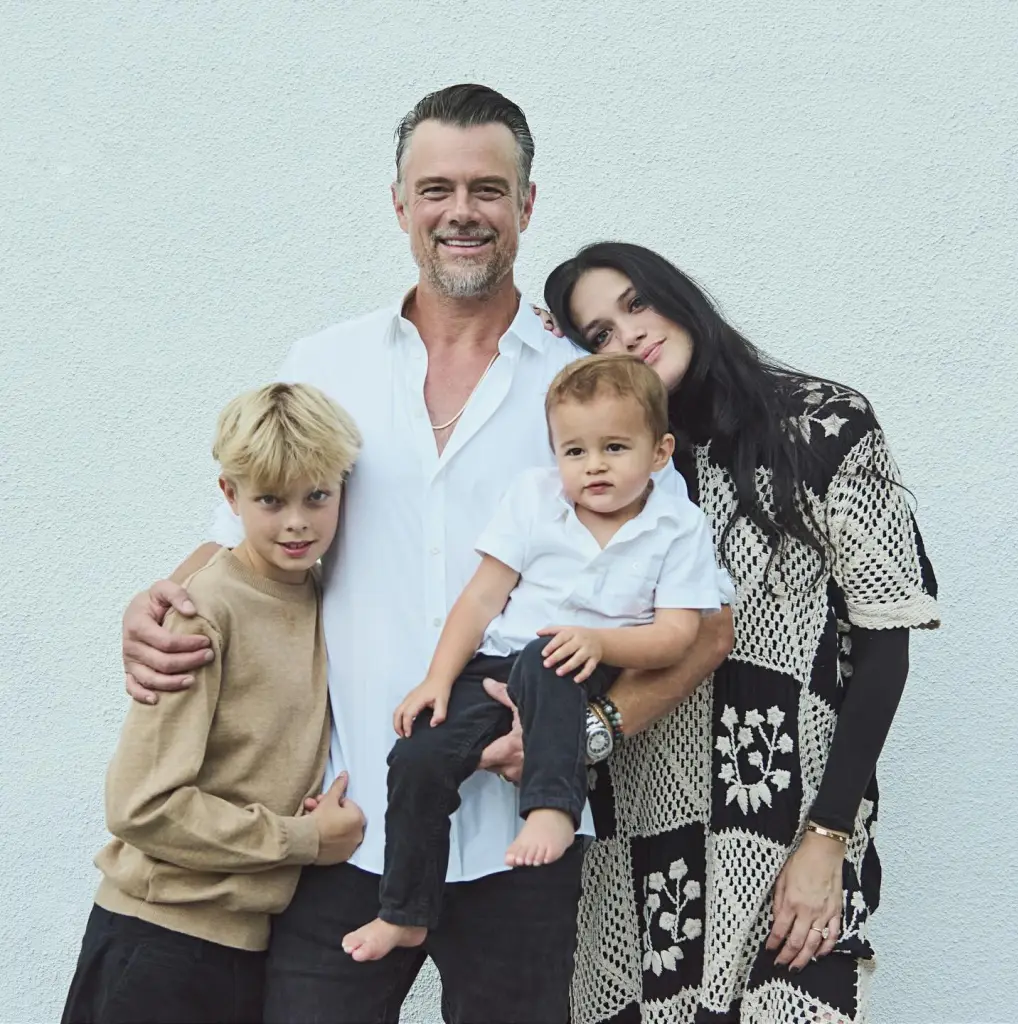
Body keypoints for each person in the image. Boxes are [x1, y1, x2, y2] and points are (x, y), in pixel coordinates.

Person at [119, 86, 733, 1024]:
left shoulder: (590, 387)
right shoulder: (329, 364)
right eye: (435, 187)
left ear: (527, 207)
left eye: (488, 189)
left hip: (521, 840)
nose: (462, 212)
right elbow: (239, 534)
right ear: (400, 205)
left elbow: (704, 622)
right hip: (352, 826)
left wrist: (593, 731)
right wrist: (159, 599)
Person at [543, 243, 940, 1024]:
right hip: (636, 830)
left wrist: (828, 835)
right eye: (595, 335)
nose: (625, 335)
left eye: (635, 303)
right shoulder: (615, 467)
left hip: (791, 825)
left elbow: (886, 646)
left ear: (676, 294)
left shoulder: (824, 424)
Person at [344, 354, 726, 963]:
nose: (593, 464)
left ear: (660, 452)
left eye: (615, 447)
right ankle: (405, 910)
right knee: (418, 752)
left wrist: (600, 642)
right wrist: (437, 680)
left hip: (584, 664)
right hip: (498, 664)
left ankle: (552, 807)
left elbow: (678, 635)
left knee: (548, 655)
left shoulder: (679, 527)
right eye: (574, 451)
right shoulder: (534, 499)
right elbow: (480, 598)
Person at [62, 383, 366, 1024]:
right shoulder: (204, 610)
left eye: (318, 496)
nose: (296, 522)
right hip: (158, 944)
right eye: (269, 500)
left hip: (245, 950)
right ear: (229, 496)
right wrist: (304, 839)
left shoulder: (317, 594)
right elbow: (142, 803)